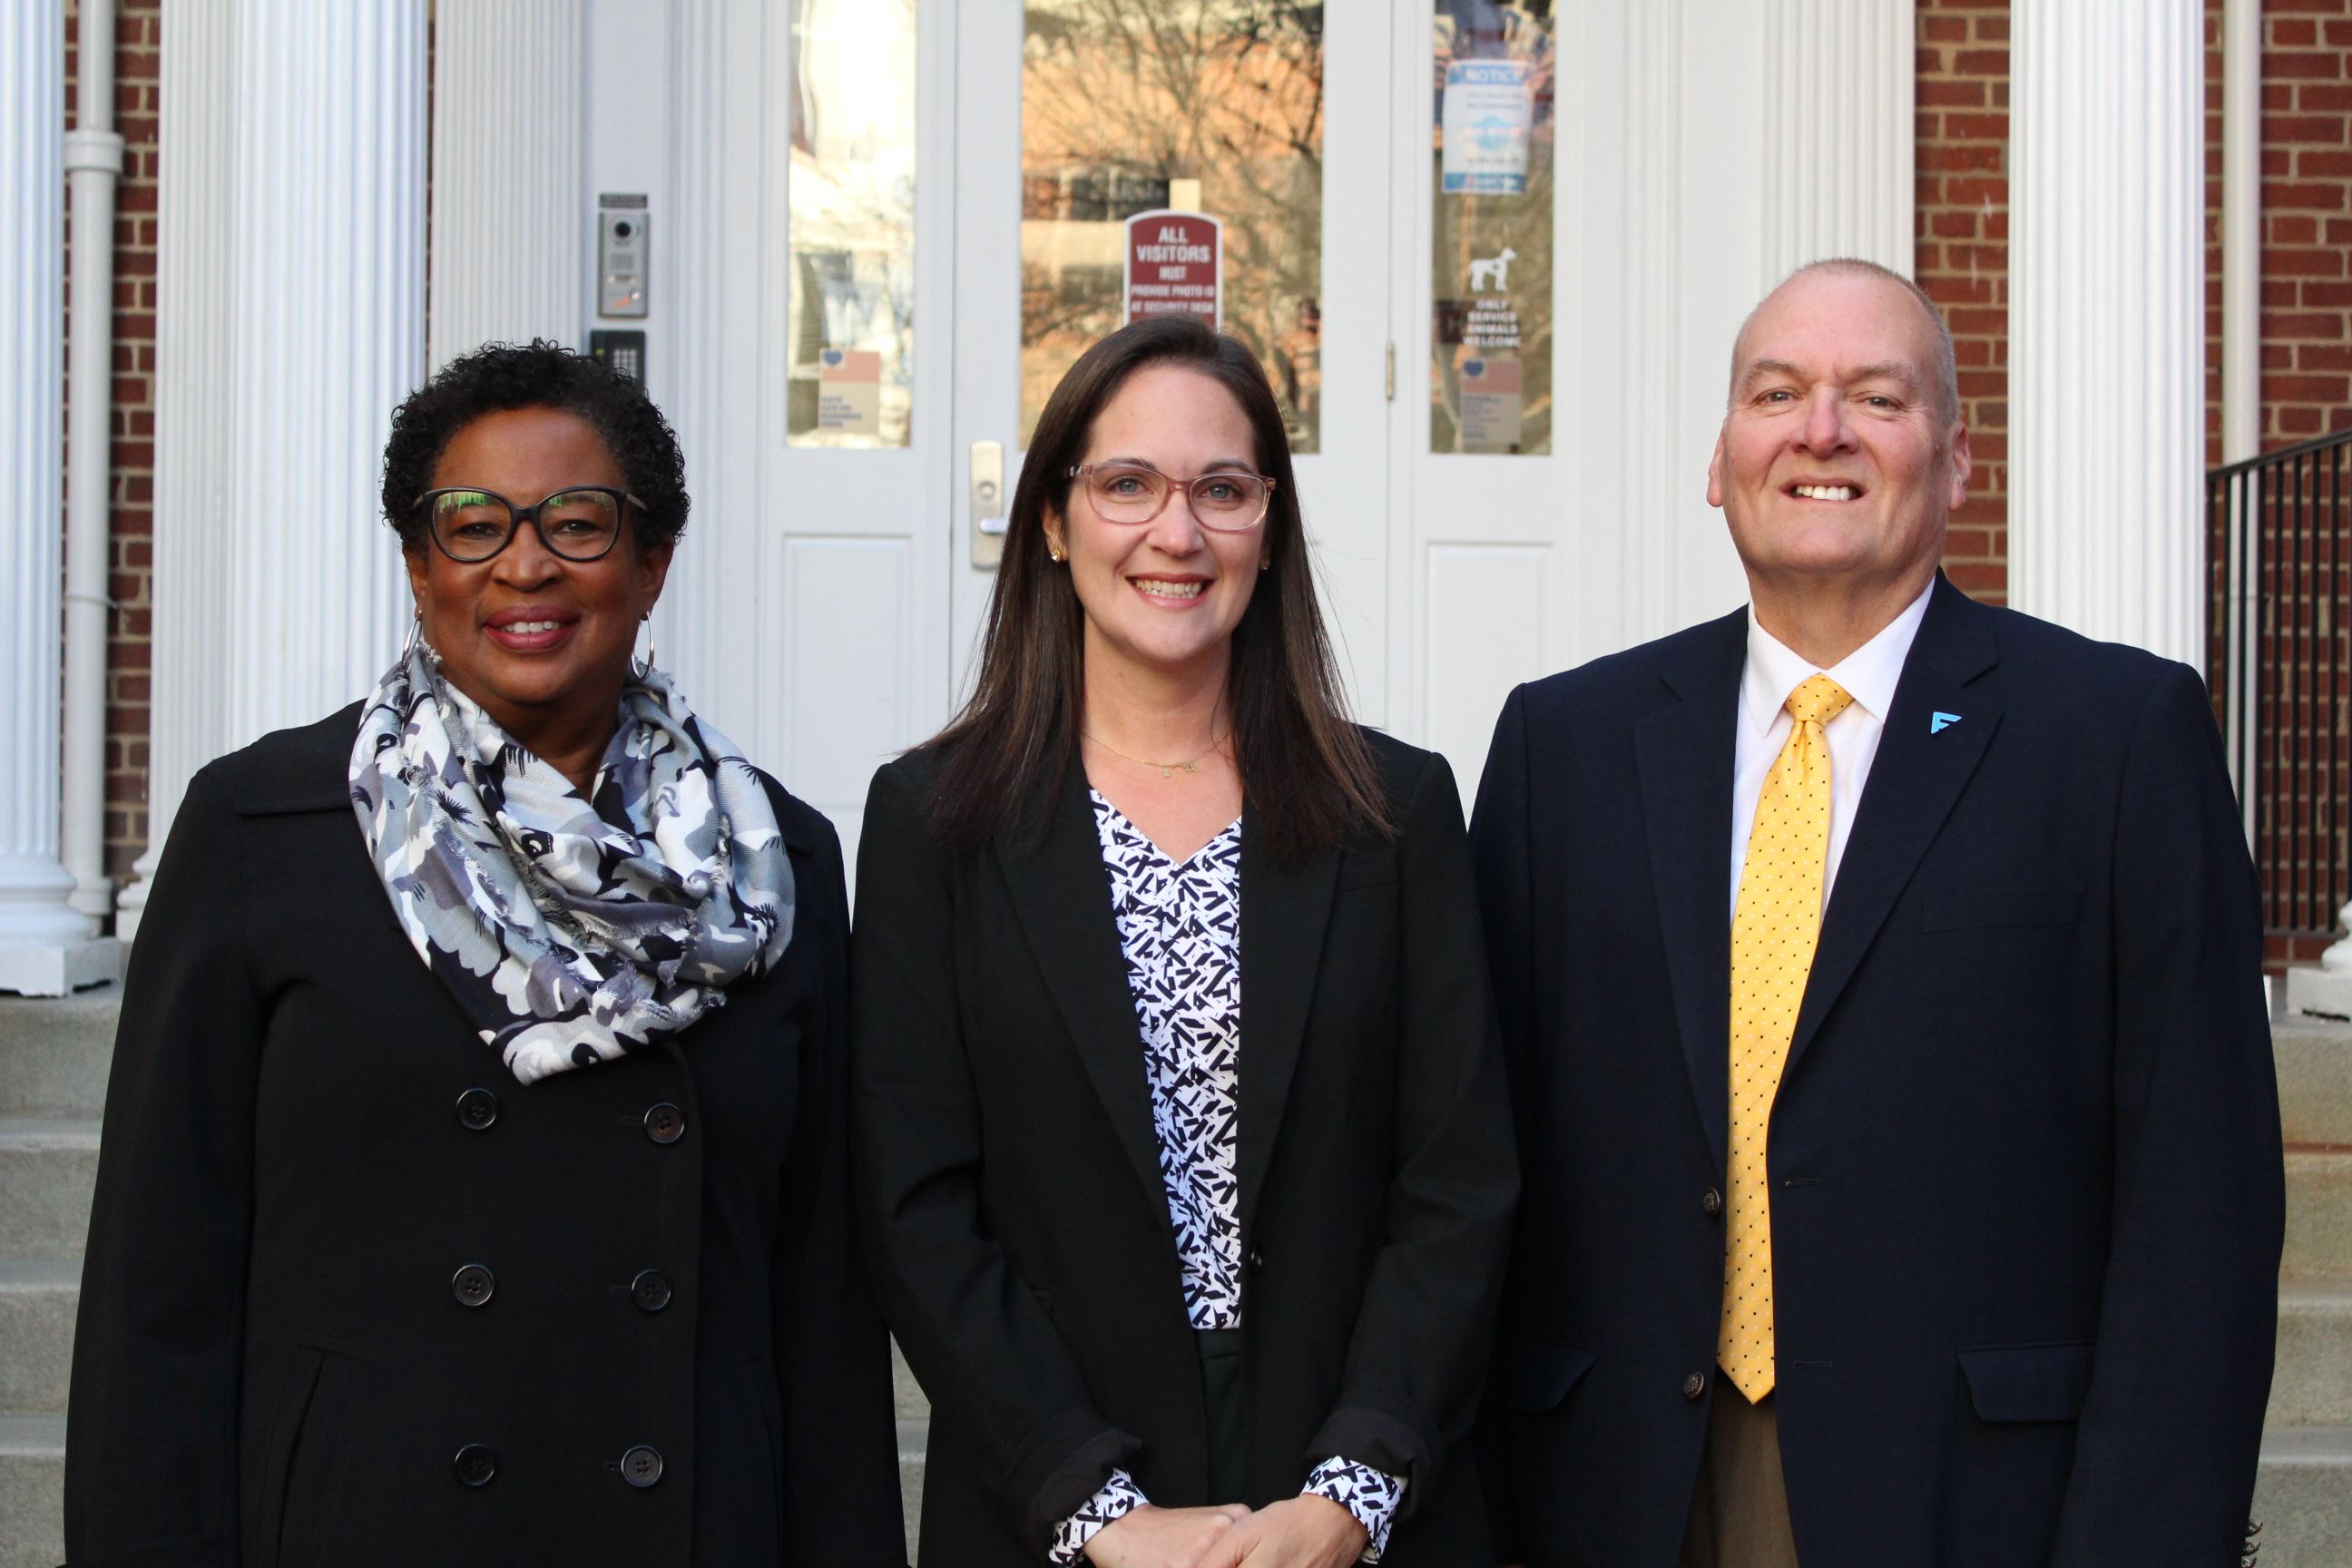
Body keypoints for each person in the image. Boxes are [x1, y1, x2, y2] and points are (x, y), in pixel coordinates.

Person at [1471, 260, 2283, 1567]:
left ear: (1957, 460)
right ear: (1719, 461)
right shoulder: (1564, 747)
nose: (1821, 431)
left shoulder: (2116, 738)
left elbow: (2202, 1207)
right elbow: (1474, 1161)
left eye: (1878, 397)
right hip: (1611, 1487)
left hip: (1972, 1499)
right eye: (1775, 394)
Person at [64, 341, 906, 1566]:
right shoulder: (262, 828)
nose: (524, 564)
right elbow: (159, 1287)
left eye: (578, 522)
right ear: (419, 566)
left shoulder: (776, 861)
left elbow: (823, 1307)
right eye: (473, 525)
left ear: (652, 561)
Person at [852, 314, 1518, 1568]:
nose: (1177, 532)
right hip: (1054, 1504)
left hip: (1351, 1500)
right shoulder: (934, 822)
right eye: (1127, 485)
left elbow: (1459, 1182)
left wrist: (1356, 1488)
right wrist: (1092, 1507)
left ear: (1268, 529)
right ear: (1054, 523)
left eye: (1222, 489)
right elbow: (916, 1206)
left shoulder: (1396, 812)